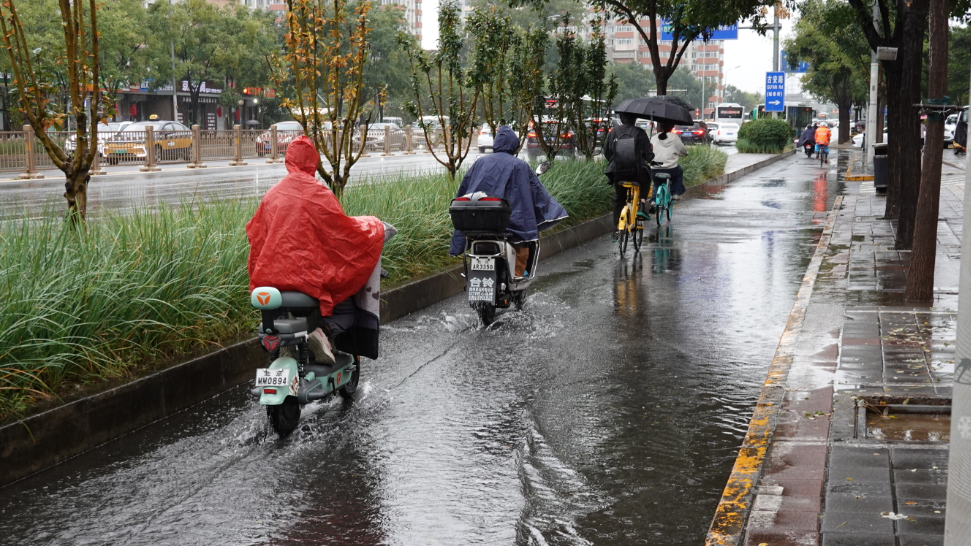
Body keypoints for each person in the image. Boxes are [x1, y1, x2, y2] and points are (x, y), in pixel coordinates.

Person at [247, 135, 389, 364]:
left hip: (272, 283)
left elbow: (255, 237)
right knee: (347, 312)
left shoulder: (271, 196)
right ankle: (322, 331)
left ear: (288, 160)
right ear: (314, 161)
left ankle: (286, 347)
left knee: (279, 313)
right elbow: (342, 235)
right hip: (310, 284)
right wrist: (373, 227)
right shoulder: (322, 195)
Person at [449, 125, 567, 277]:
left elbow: (464, 190)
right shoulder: (520, 166)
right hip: (513, 223)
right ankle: (518, 275)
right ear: (514, 145)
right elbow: (538, 195)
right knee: (525, 241)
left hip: (478, 223)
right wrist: (553, 211)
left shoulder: (480, 163)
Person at [603, 112, 654, 240]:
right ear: (635, 119)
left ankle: (616, 228)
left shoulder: (613, 132)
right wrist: (650, 152)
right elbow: (648, 156)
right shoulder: (640, 132)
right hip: (637, 173)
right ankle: (642, 204)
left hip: (618, 173)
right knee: (647, 177)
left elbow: (607, 153)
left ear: (621, 119)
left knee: (619, 198)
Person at [650, 122, 689, 200]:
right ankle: (676, 193)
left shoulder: (654, 138)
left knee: (656, 184)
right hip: (671, 169)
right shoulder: (675, 138)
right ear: (672, 127)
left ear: (660, 126)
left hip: (654, 169)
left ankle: (654, 200)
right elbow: (682, 151)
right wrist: (685, 153)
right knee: (679, 172)